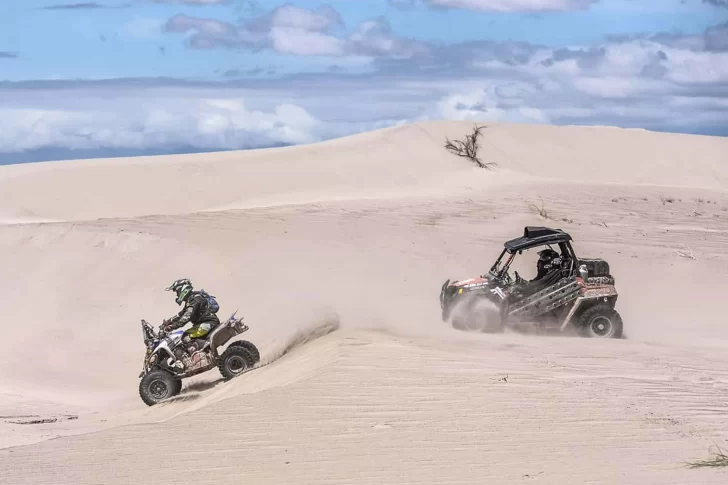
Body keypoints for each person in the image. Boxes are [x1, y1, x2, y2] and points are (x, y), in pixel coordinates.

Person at [160, 278, 220, 361]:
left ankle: (198, 359)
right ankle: (205, 353)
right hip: (207, 323)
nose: (177, 295)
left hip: (208, 323)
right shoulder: (191, 299)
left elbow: (185, 318)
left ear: (183, 289)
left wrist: (171, 327)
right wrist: (168, 322)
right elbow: (180, 314)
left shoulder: (194, 299)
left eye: (177, 292)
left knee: (186, 336)